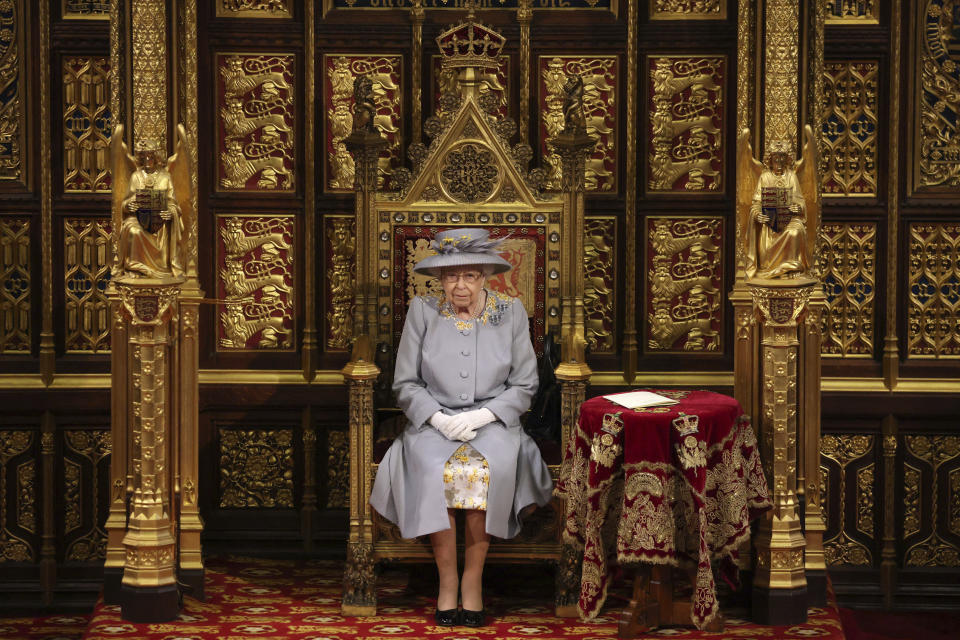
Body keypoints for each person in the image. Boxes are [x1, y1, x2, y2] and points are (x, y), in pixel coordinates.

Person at [370, 227, 553, 628]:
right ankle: (447, 581)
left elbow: (525, 385)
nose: (460, 285)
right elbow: (405, 383)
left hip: (495, 424)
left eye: (469, 276)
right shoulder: (423, 311)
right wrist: (437, 418)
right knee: (435, 470)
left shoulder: (511, 312)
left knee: (486, 472)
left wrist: (482, 416)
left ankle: (472, 580)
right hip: (431, 424)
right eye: (451, 276)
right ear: (439, 278)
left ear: (485, 276)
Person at [116, 139, 184, 278]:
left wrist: (170, 213)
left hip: (159, 222)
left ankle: (162, 267)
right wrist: (129, 205)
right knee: (133, 230)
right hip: (137, 219)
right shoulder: (136, 176)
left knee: (163, 228)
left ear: (157, 157)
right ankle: (135, 268)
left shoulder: (166, 176)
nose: (148, 159)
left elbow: (173, 203)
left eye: (151, 156)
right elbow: (125, 203)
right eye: (144, 156)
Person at [745, 140, 810, 280]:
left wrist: (797, 207)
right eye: (776, 158)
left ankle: (791, 268)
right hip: (770, 222)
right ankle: (769, 267)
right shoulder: (765, 177)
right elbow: (756, 204)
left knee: (796, 231)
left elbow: (800, 201)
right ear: (770, 159)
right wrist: (757, 215)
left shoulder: (791, 176)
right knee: (766, 235)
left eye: (782, 157)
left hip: (789, 219)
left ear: (787, 159)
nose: (779, 161)